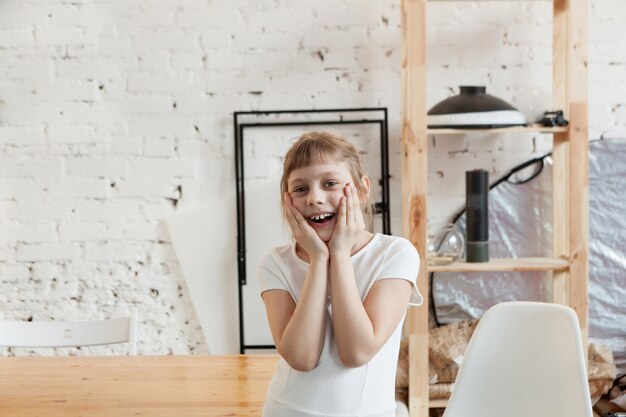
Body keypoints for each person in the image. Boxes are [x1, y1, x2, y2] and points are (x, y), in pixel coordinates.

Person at [257, 131, 423, 417]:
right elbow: (301, 357)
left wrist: (341, 255)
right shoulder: (275, 263)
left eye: (330, 183)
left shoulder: (396, 254)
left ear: (361, 189)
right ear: (288, 200)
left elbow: (356, 352)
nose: (315, 198)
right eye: (300, 189)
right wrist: (320, 259)